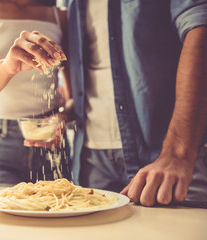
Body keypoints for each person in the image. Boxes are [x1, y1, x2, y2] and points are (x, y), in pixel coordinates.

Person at [0, 0, 207, 207]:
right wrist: (5, 74)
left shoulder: (58, 13)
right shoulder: (65, 4)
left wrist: (178, 152)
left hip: (151, 154)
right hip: (80, 158)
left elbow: (200, 25)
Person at [64, 0, 207, 207]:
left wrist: (178, 152)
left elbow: (200, 25)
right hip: (91, 158)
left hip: (168, 157)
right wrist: (66, 110)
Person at [0, 0, 71, 184]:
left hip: (51, 145)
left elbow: (75, 98)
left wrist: (62, 117)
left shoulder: (61, 15)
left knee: (61, 208)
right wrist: (7, 68)